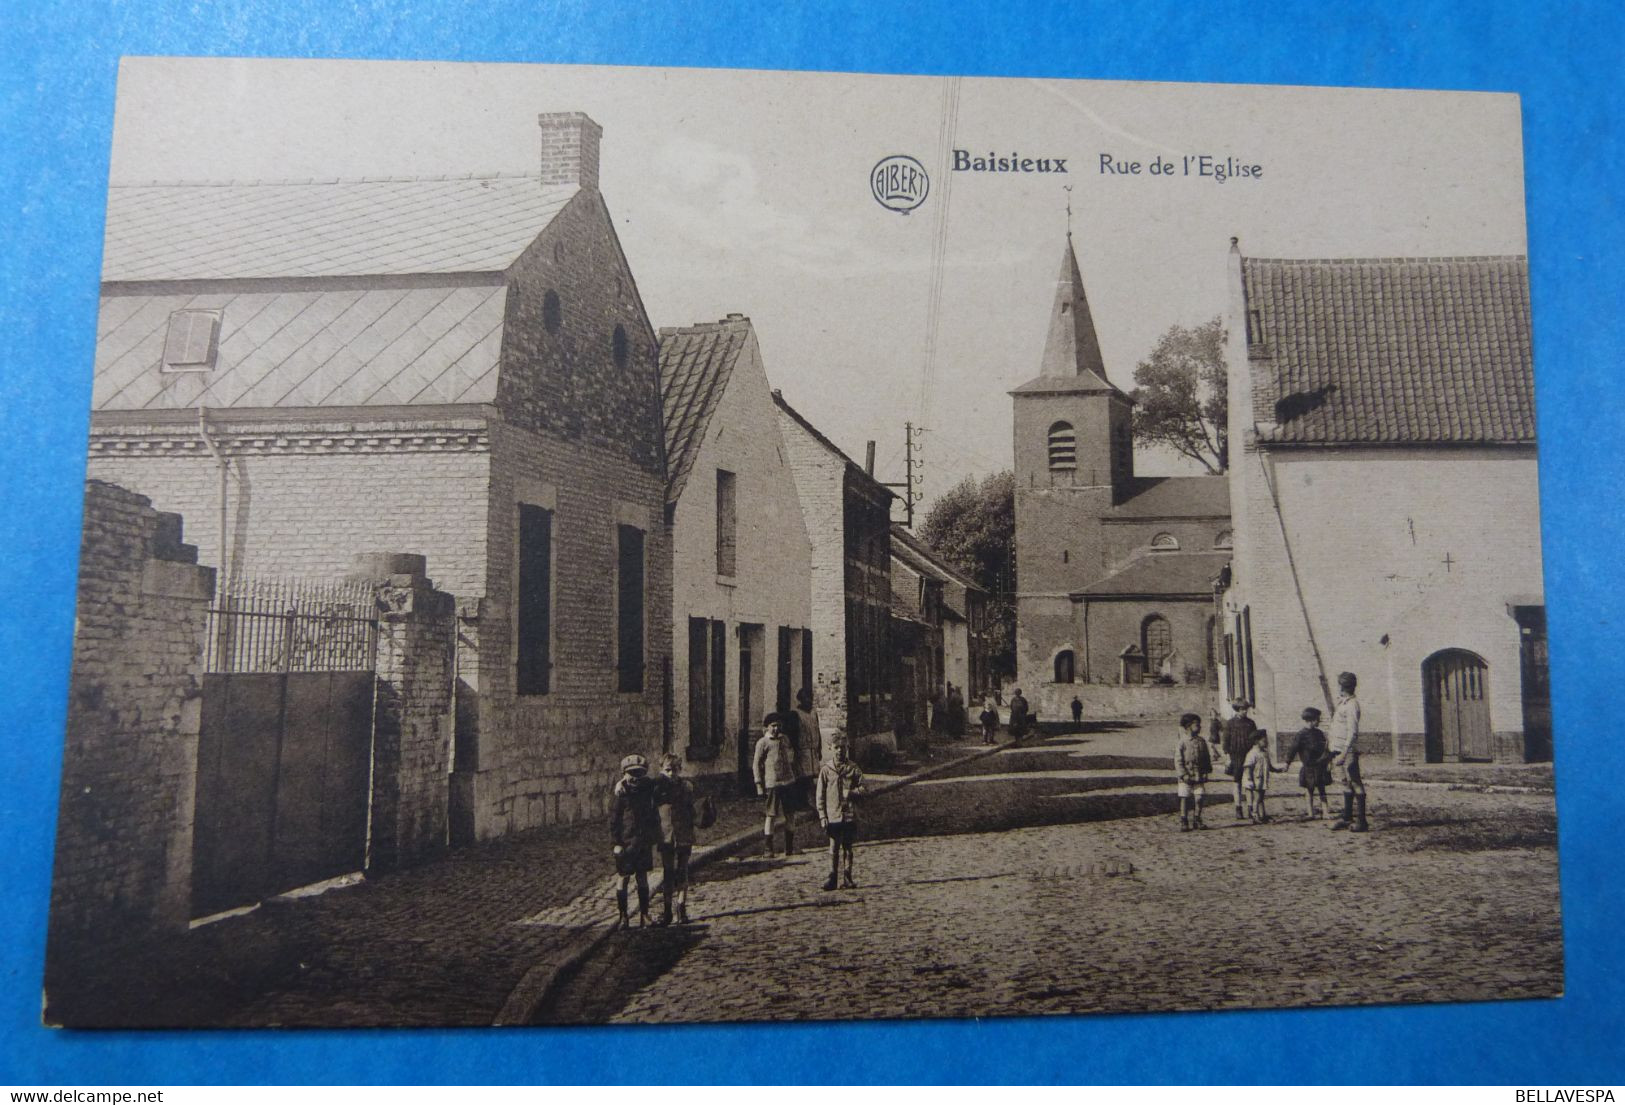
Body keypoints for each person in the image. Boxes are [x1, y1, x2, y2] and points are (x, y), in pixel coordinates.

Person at [609, 753, 661, 928]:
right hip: (625, 844)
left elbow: (662, 781)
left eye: (639, 773)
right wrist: (616, 843)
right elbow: (614, 821)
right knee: (623, 878)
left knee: (642, 879)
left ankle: (644, 915)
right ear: (624, 774)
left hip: (643, 842)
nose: (635, 778)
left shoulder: (648, 788)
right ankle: (623, 916)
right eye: (631, 774)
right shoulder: (621, 794)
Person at [815, 736, 867, 890]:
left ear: (847, 749)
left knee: (848, 847)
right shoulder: (826, 770)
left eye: (842, 748)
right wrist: (822, 816)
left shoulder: (853, 768)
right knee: (833, 847)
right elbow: (820, 795)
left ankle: (847, 876)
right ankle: (832, 878)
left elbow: (864, 787)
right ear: (831, 748)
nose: (839, 750)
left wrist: (852, 792)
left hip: (849, 814)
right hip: (833, 815)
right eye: (836, 747)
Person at [653, 754, 696, 925]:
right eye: (667, 770)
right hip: (666, 836)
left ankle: (681, 908)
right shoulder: (657, 787)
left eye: (675, 770)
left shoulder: (686, 787)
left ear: (680, 770)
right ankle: (667, 910)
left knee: (683, 871)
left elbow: (692, 809)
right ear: (661, 770)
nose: (671, 773)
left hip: (684, 834)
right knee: (668, 872)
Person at [753, 712, 800, 855]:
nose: (776, 729)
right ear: (767, 727)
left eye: (779, 726)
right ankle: (768, 848)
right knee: (771, 815)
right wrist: (759, 785)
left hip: (788, 782)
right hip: (772, 784)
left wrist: (793, 775)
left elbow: (791, 757)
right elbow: (756, 764)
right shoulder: (763, 743)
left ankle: (789, 848)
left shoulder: (785, 739)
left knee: (790, 814)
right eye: (773, 726)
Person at [1327, 671, 1368, 832]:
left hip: (1346, 750)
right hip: (1337, 749)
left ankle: (1362, 821)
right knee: (1345, 783)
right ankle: (1347, 817)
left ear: (1343, 686)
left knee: (1355, 782)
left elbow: (1352, 732)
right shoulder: (1343, 703)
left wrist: (1345, 752)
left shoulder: (1352, 705)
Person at [1282, 707, 1331, 819]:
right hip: (1309, 767)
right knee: (1309, 790)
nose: (1319, 721)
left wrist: (1328, 762)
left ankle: (1325, 812)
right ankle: (1310, 813)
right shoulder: (1301, 734)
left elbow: (1325, 749)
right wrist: (1287, 763)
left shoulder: (1319, 733)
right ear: (1312, 720)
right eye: (1318, 719)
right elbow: (1293, 749)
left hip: (1320, 766)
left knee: (1322, 789)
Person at [1221, 700, 1259, 820]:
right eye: (1242, 709)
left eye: (1246, 709)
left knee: (1249, 783)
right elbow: (1225, 742)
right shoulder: (1230, 723)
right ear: (1237, 709)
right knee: (1237, 782)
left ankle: (1250, 807)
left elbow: (1255, 740)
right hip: (1235, 756)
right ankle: (1238, 808)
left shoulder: (1251, 723)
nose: (1245, 711)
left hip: (1248, 756)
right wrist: (1227, 758)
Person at [1174, 712, 1211, 831]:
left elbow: (1206, 758)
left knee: (1199, 797)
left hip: (1198, 774)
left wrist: (1206, 771)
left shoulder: (1201, 741)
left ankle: (1197, 819)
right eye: (1197, 725)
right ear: (1189, 726)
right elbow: (1178, 760)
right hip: (1186, 776)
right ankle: (1184, 820)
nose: (1199, 727)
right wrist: (1183, 774)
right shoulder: (1182, 742)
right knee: (1184, 797)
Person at [791, 687, 823, 811]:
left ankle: (807, 801)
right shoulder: (796, 714)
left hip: (813, 749)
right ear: (801, 700)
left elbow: (817, 730)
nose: (808, 701)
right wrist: (795, 751)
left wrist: (819, 748)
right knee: (802, 777)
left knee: (810, 777)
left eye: (810, 698)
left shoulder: (814, 713)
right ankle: (800, 802)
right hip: (802, 750)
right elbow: (794, 734)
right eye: (805, 699)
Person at [1241, 730, 1282, 823]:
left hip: (1262, 779)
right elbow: (1248, 767)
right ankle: (1255, 815)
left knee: (1261, 797)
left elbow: (1269, 766)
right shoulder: (1252, 753)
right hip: (1256, 779)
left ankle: (1263, 815)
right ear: (1256, 741)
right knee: (1257, 797)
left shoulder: (1265, 753)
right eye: (1264, 741)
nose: (1266, 743)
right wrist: (1249, 779)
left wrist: (1278, 770)